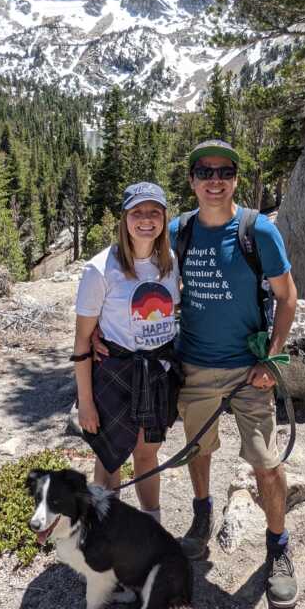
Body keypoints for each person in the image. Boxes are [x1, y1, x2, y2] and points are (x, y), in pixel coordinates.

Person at [170, 139, 299, 609]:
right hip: (196, 367)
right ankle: (202, 515)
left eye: (224, 171)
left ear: (236, 179)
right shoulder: (177, 230)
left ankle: (279, 546)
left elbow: (287, 297)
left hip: (249, 371)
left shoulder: (257, 231)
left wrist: (273, 358)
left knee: (266, 461)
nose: (214, 180)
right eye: (204, 172)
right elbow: (138, 272)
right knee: (197, 449)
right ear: (192, 181)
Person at [72, 182, 180, 523]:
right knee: (110, 457)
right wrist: (86, 403)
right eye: (137, 212)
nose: (145, 220)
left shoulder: (170, 262)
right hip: (114, 376)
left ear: (164, 218)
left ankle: (153, 527)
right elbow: (80, 344)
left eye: (154, 212)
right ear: (124, 219)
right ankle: (104, 533)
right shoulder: (100, 269)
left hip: (156, 376)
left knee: (147, 454)